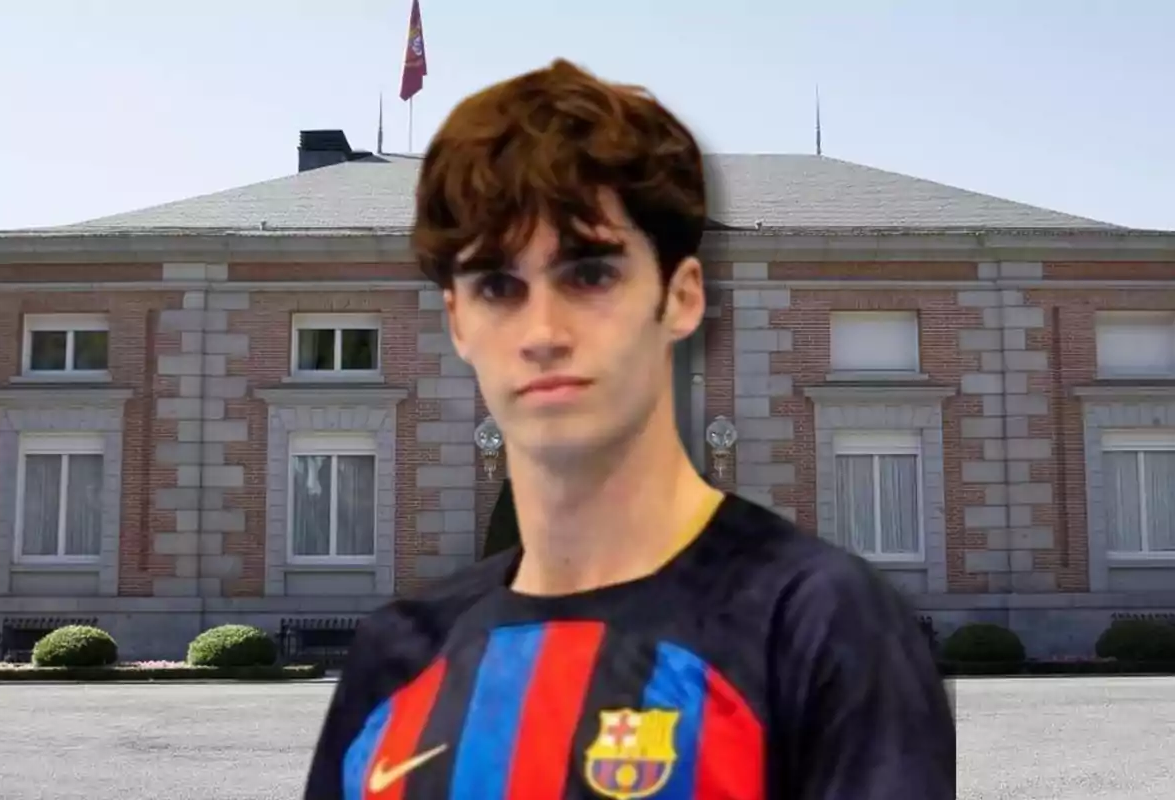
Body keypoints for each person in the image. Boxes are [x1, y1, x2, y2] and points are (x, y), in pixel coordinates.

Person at [304, 59, 956, 799]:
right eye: (495, 285)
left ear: (681, 298)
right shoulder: (395, 656)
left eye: (589, 275)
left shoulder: (821, 625)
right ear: (457, 322)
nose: (542, 331)